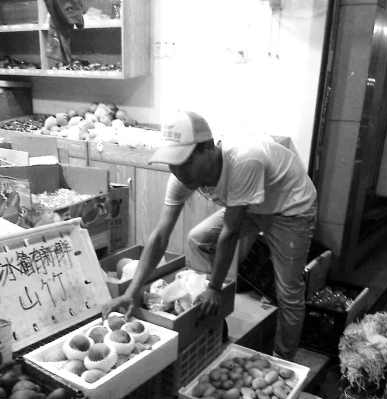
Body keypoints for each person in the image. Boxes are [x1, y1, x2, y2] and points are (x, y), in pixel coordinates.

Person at [102, 110, 317, 361]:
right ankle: (212, 314)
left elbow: (230, 232)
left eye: (184, 162)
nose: (178, 171)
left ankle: (283, 360)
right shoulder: (182, 177)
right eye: (172, 162)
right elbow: (160, 235)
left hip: (289, 207)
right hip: (252, 204)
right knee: (199, 238)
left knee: (288, 292)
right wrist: (131, 291)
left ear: (208, 149)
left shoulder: (244, 160)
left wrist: (215, 287)